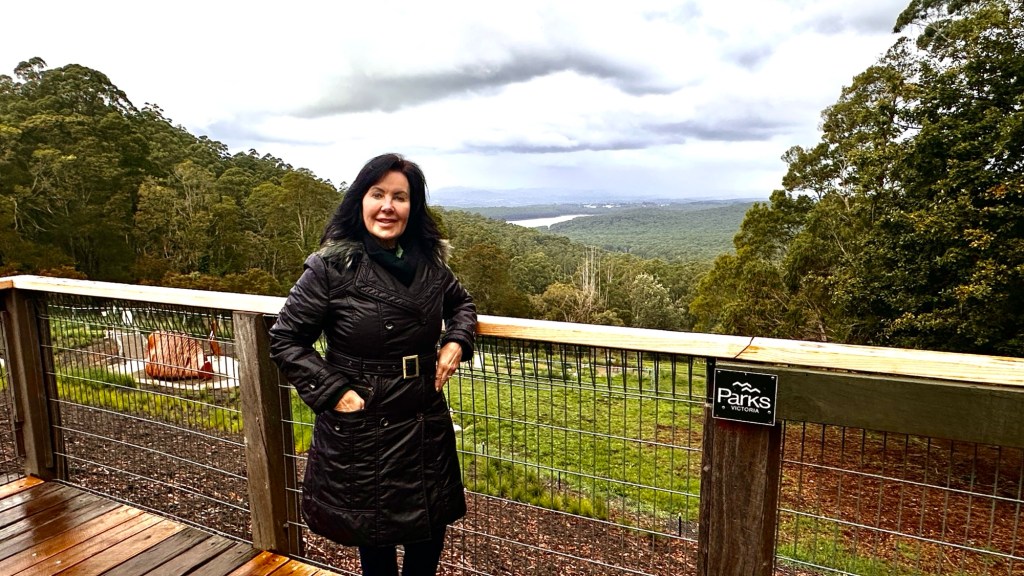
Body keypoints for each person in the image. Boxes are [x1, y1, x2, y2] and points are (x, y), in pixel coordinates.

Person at [269, 153, 477, 576]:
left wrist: (457, 339)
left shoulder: (429, 262)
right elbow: (286, 339)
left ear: (412, 207)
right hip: (366, 424)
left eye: (400, 197)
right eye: (377, 194)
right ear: (359, 201)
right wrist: (336, 393)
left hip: (423, 416)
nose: (388, 206)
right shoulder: (331, 267)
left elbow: (462, 304)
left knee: (428, 536)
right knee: (376, 542)